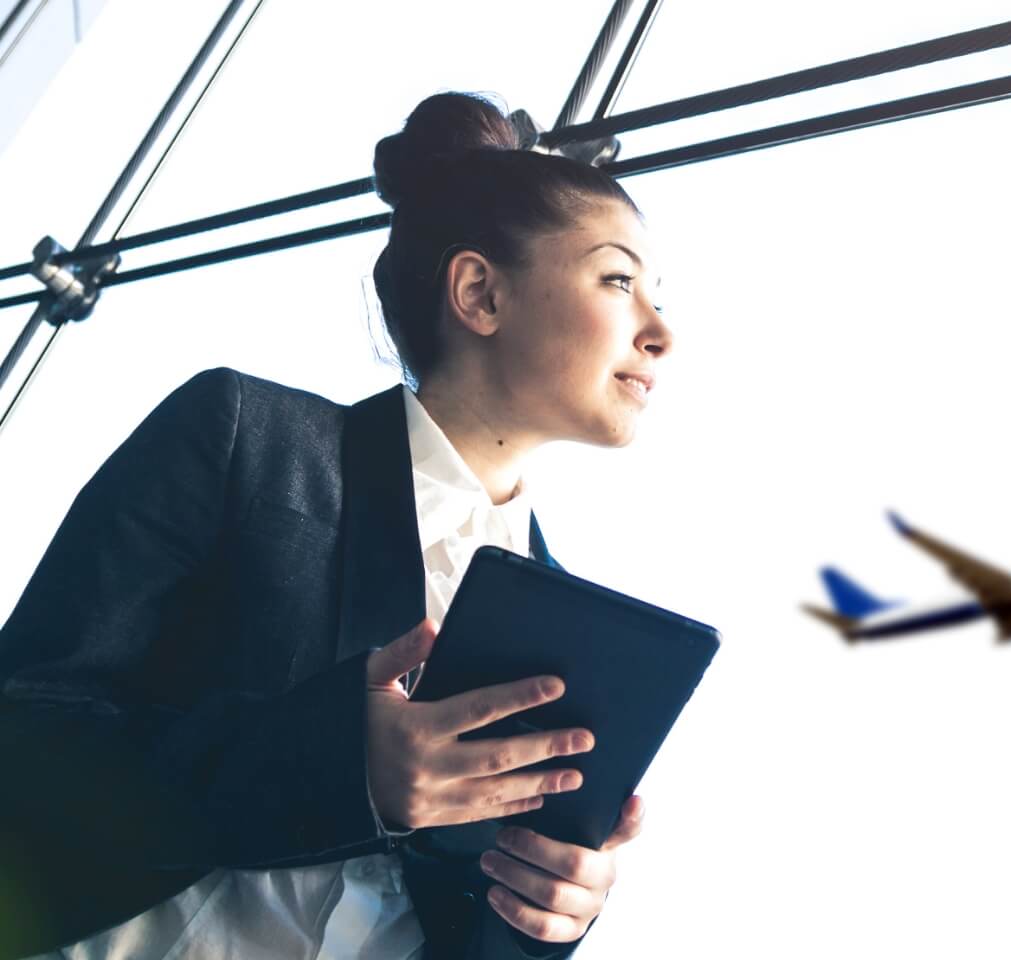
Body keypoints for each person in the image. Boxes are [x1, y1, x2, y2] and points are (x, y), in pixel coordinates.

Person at [0, 92, 673, 959]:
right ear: (478, 292)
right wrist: (338, 765)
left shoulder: (571, 633)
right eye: (620, 280)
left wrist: (545, 915)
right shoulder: (244, 438)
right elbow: (28, 727)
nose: (661, 332)